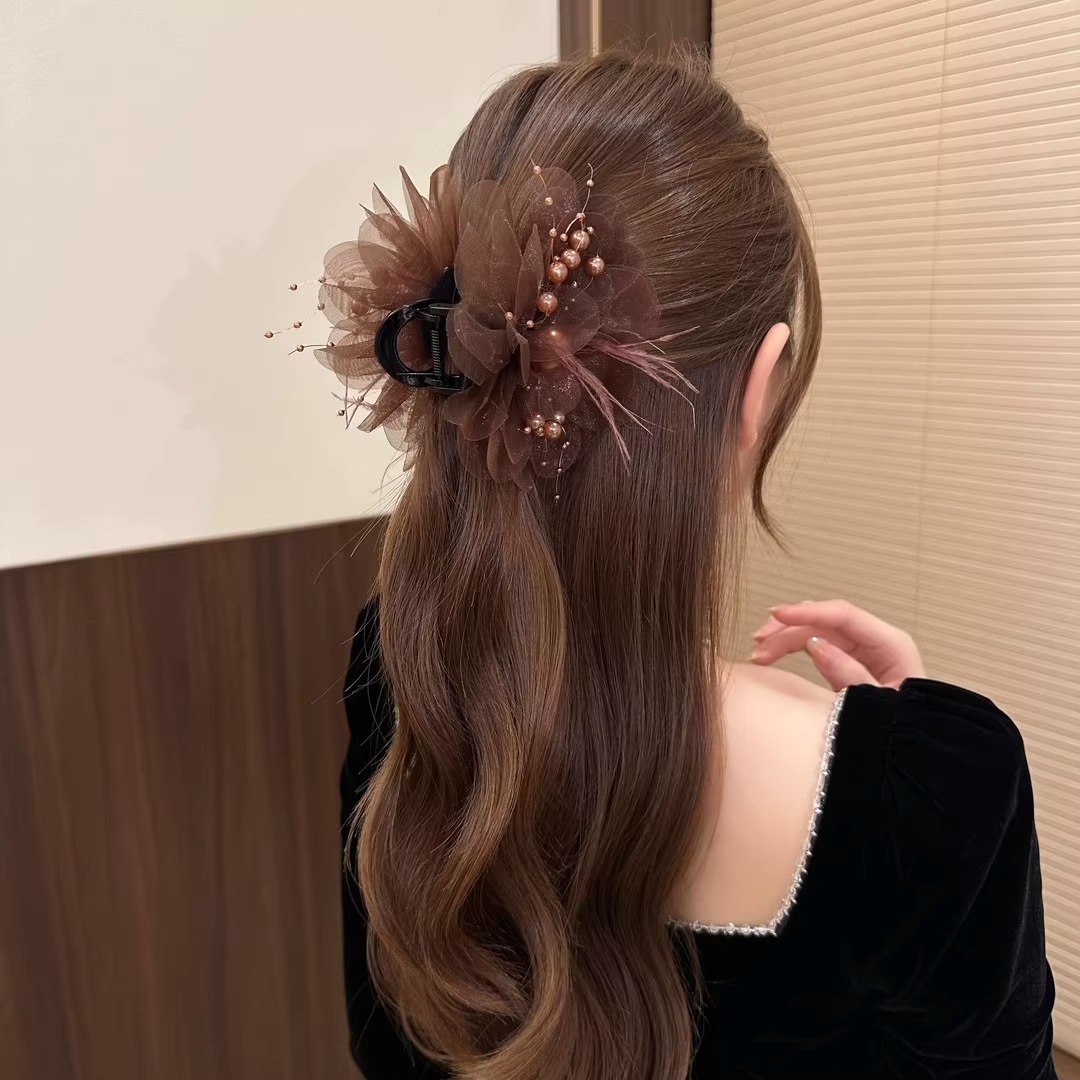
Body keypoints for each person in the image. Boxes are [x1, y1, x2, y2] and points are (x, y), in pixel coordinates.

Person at [332, 50, 1056, 1080]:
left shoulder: (406, 669)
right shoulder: (940, 790)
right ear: (759, 386)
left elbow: (387, 1046)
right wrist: (911, 780)